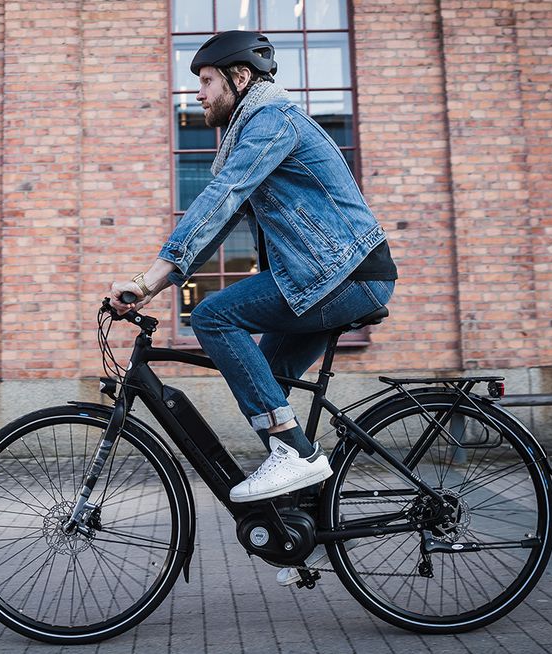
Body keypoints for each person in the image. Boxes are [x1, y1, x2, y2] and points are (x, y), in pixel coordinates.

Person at [109, 31, 397, 583]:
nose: (198, 95)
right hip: (325, 277)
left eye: (207, 82)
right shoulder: (253, 129)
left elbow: (223, 199)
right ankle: (302, 527)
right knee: (270, 386)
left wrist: (150, 280)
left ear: (239, 79)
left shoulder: (272, 121)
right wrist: (166, 276)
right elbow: (225, 216)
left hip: (341, 275)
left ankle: (296, 455)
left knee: (216, 315)